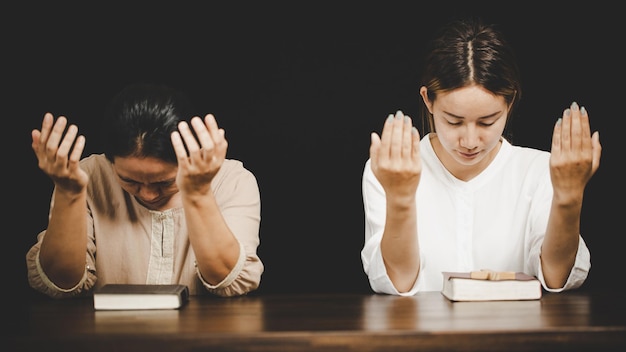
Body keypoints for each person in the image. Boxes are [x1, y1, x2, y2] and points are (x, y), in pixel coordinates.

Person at [361, 17, 602, 296]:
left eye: (487, 122)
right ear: (428, 100)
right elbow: (397, 283)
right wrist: (400, 199)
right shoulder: (390, 170)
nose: (470, 141)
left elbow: (558, 278)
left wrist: (569, 197)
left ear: (510, 102)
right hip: (421, 337)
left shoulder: (539, 171)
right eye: (453, 121)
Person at [27, 83, 263, 298]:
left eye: (164, 183)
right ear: (111, 162)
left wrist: (198, 192)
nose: (148, 195)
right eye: (130, 181)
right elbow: (60, 282)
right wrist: (68, 194)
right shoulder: (84, 176)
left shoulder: (231, 180)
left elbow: (226, 280)